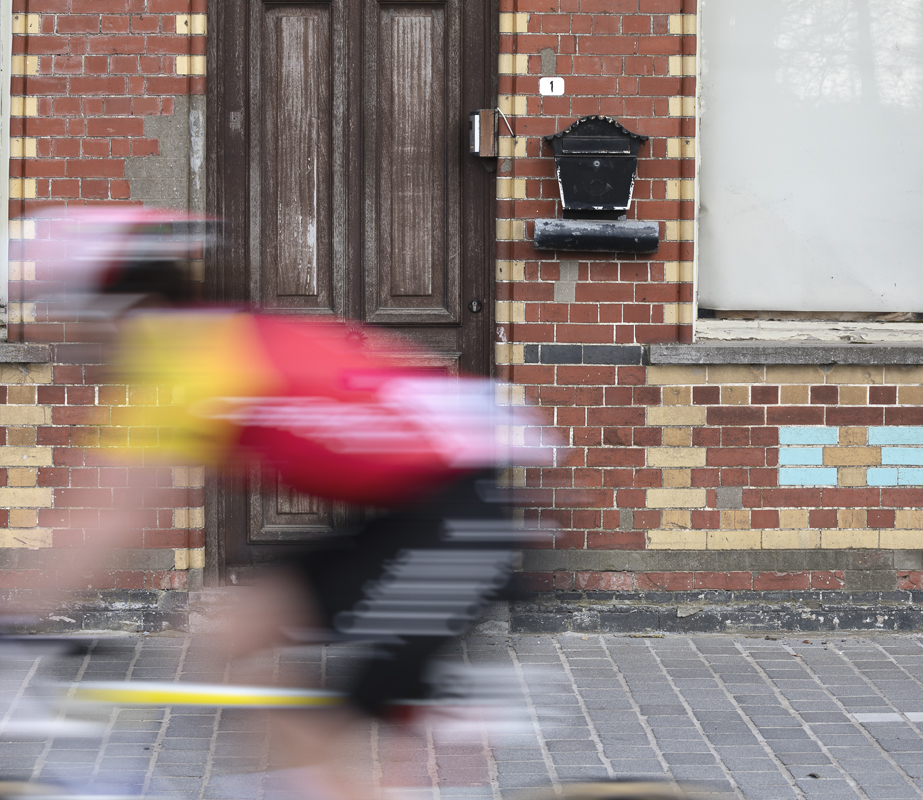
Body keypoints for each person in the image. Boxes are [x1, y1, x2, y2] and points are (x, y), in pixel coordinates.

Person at [26, 207, 548, 800]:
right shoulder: (212, 338)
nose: (69, 338)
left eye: (68, 315)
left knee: (318, 726)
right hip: (425, 514)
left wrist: (17, 616)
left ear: (110, 304)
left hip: (452, 527)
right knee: (236, 634)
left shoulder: (181, 360)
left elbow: (105, 519)